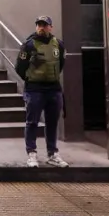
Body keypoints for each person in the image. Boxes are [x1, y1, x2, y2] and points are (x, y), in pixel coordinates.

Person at [16, 15, 69, 168]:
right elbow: (20, 67)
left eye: (44, 25)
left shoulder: (58, 44)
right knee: (32, 122)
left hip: (53, 89)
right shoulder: (28, 45)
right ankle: (31, 154)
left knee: (52, 122)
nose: (41, 27)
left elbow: (61, 64)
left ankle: (52, 154)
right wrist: (31, 79)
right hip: (34, 90)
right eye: (39, 25)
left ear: (50, 27)